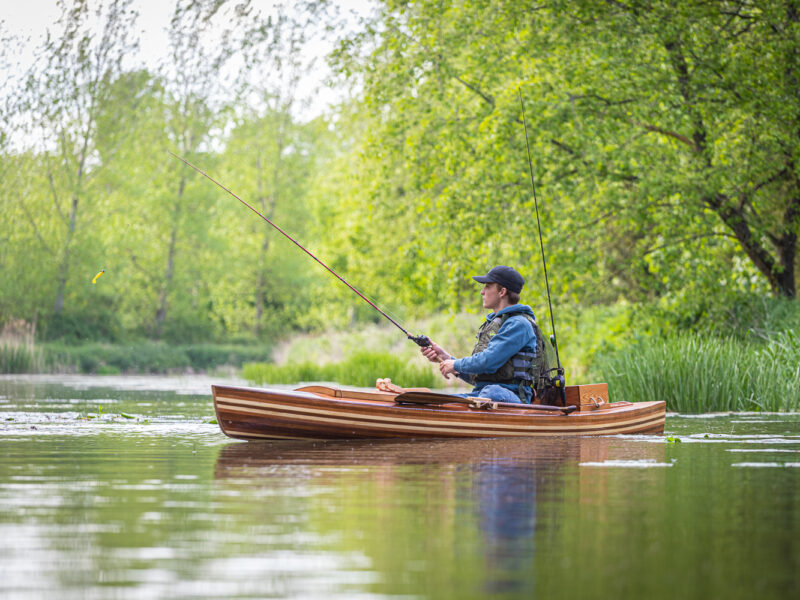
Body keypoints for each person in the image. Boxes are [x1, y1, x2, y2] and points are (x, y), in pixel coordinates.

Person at [420, 265, 543, 404]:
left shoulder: (518, 325)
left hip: (511, 397)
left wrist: (455, 364)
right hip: (483, 393)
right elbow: (480, 376)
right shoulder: (501, 323)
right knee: (441, 400)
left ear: (502, 292)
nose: (482, 292)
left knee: (492, 391)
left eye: (487, 287)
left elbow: (488, 361)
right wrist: (445, 357)